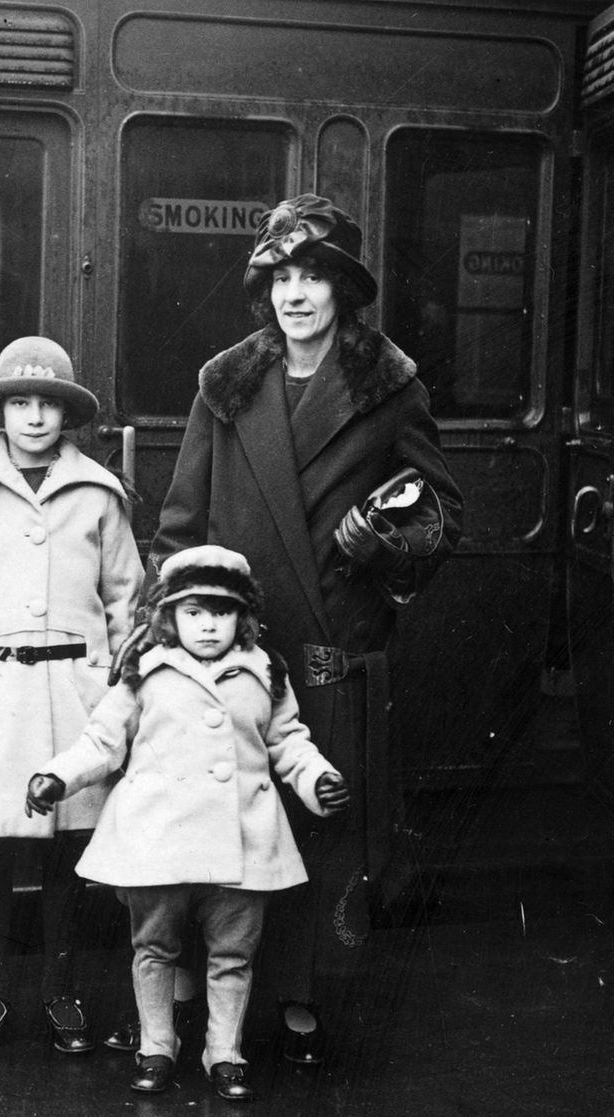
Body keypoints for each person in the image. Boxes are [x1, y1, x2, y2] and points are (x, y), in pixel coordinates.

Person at [142, 194, 463, 1063]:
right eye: (280, 277)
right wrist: (169, 634)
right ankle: (205, 998)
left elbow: (443, 511)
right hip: (231, 653)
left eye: (314, 276)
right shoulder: (226, 384)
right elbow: (181, 523)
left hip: (329, 654)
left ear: (341, 291)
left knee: (318, 829)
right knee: (218, 826)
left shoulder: (390, 386)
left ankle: (302, 993)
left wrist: (385, 543)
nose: (295, 293)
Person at [26, 546, 349, 1100]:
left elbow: (289, 742)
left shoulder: (266, 672)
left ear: (243, 617)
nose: (207, 625)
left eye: (222, 612)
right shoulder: (143, 671)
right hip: (159, 839)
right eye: (193, 612)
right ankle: (157, 1045)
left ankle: (224, 1052)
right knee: (153, 948)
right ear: (168, 615)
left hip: (243, 837)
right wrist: (57, 777)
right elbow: (102, 741)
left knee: (233, 955)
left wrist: (318, 779)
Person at [0, 336, 142, 1054]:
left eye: (48, 404)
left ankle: (59, 990)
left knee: (67, 850)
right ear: (1, 412)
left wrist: (123, 706)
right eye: (20, 403)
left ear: (67, 414)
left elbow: (127, 606)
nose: (35, 417)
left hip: (77, 695)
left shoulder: (99, 495)